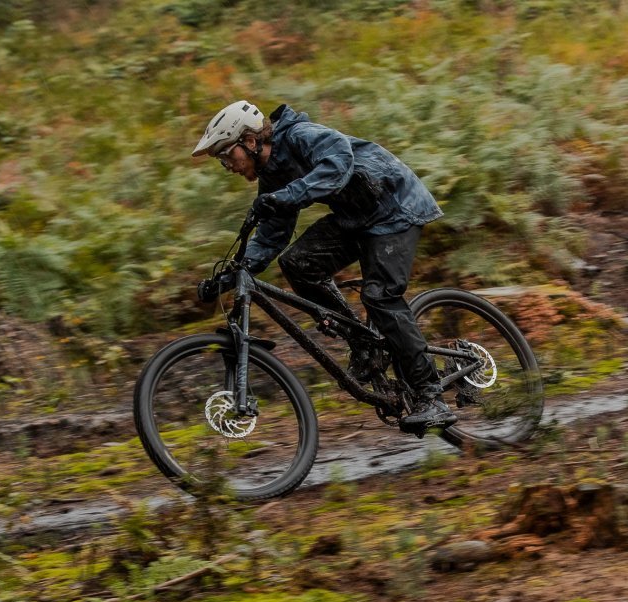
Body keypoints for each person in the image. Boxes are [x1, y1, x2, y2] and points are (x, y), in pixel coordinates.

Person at [192, 100, 456, 432]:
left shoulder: (301, 135)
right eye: (221, 160)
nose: (227, 165)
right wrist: (232, 274)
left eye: (227, 155)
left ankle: (432, 396)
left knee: (380, 297)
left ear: (249, 140)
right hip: (356, 217)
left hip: (395, 207)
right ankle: (363, 342)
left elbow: (338, 162)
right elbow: (273, 235)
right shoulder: (271, 173)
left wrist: (287, 195)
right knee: (298, 263)